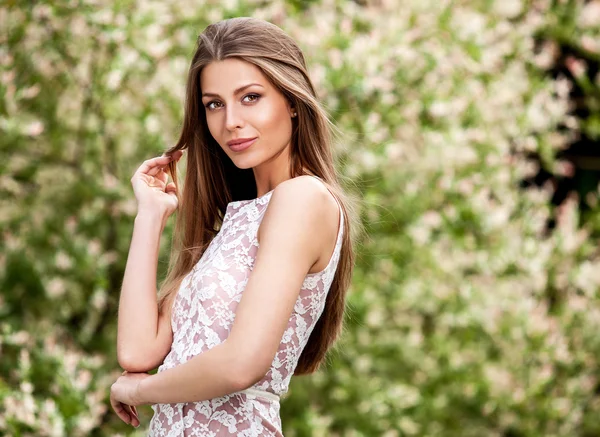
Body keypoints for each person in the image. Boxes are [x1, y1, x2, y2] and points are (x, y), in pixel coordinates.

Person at [110, 16, 357, 436]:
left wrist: (141, 392)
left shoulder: (302, 198)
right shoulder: (235, 223)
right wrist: (149, 216)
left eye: (250, 97)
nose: (230, 122)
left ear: (292, 101)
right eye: (214, 104)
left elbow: (243, 362)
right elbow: (137, 351)